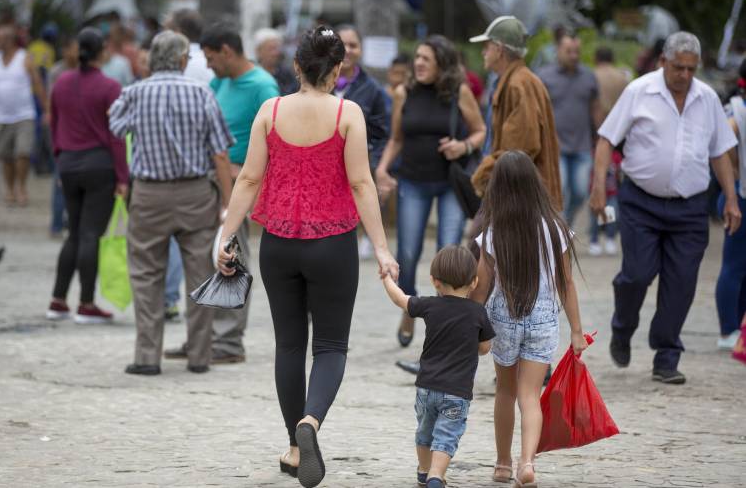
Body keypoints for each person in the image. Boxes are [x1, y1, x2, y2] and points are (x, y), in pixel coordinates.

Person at [215, 26, 398, 488]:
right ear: (337, 70)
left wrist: (227, 234)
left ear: (296, 66)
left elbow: (248, 179)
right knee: (331, 346)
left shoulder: (270, 111)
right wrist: (381, 248)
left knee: (289, 346)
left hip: (278, 243)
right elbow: (361, 183)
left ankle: (295, 449)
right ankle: (310, 422)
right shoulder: (348, 113)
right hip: (333, 243)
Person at [591, 32, 741, 385]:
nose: (685, 75)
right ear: (663, 62)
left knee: (681, 282)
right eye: (678, 67)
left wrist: (731, 199)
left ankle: (667, 355)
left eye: (691, 68)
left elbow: (720, 151)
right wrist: (598, 188)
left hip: (690, 208)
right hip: (640, 202)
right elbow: (606, 139)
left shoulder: (707, 98)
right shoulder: (639, 91)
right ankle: (622, 327)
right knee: (637, 274)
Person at [109, 31, 235, 376]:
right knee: (201, 274)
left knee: (146, 273)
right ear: (181, 60)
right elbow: (220, 153)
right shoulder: (202, 93)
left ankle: (147, 356)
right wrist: (227, 203)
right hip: (196, 195)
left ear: (152, 60)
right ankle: (199, 356)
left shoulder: (134, 93)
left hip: (149, 196)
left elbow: (115, 126)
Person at [163, 23, 279, 364]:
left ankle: (228, 341)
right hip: (210, 183)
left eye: (211, 58)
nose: (209, 66)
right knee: (203, 260)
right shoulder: (219, 83)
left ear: (227, 51)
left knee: (231, 258)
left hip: (239, 187)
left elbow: (277, 141)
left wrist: (246, 172)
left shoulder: (262, 86)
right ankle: (201, 337)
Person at [473, 150, 587, 487]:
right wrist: (576, 331)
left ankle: (502, 464)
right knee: (530, 395)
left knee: (505, 392)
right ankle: (527, 463)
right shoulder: (555, 229)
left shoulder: (493, 231)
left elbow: (481, 286)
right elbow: (566, 284)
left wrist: (469, 324)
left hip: (503, 318)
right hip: (543, 319)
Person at [375, 34, 486, 349]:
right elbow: (397, 139)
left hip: (450, 183)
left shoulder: (459, 92)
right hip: (413, 181)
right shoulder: (403, 93)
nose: (419, 63)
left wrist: (463, 146)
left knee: (447, 253)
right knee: (408, 254)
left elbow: (480, 131)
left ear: (442, 64)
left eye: (426, 59)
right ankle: (410, 307)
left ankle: (443, 323)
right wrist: (382, 169)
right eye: (418, 57)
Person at [381, 245, 494, 488]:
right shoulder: (478, 313)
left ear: (434, 281)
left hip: (426, 387)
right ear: (474, 282)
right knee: (447, 435)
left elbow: (400, 299)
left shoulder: (430, 305)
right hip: (457, 391)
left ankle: (424, 470)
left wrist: (386, 278)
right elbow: (485, 348)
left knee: (425, 431)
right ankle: (436, 474)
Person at [45, 28, 128, 323]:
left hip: (68, 163)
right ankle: (86, 303)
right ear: (102, 52)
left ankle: (57, 301)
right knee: (91, 234)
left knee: (74, 233)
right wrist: (123, 176)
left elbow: (54, 123)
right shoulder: (109, 87)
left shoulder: (61, 83)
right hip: (99, 166)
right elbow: (116, 136)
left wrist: (59, 158)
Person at [469, 16, 563, 211]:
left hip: (520, 197)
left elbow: (519, 149)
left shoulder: (518, 83)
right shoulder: (515, 80)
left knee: (481, 230)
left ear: (499, 49)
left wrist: (482, 175)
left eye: (487, 46)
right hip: (516, 194)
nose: (483, 52)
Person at [161, 9, 215, 322]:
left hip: (167, 165)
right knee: (197, 240)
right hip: (202, 166)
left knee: (170, 235)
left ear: (179, 32)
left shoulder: (173, 65)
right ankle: (200, 308)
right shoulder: (208, 66)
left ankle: (168, 298)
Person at [334, 24, 391, 258]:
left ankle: (367, 238)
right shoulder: (315, 84)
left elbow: (382, 133)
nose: (347, 50)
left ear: (361, 50)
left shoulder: (373, 89)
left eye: (353, 45)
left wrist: (375, 165)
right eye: (342, 45)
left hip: (359, 164)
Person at [0, 23, 48, 206]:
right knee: (6, 156)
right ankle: (10, 188)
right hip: (1, 116)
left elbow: (38, 84)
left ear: (9, 40)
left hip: (24, 115)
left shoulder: (25, 58)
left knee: (23, 153)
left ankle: (21, 187)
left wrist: (47, 110)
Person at [537, 32, 600, 225]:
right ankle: (560, 230)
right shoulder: (544, 76)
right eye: (569, 51)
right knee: (559, 192)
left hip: (582, 146)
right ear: (558, 51)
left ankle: (566, 223)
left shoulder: (589, 76)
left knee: (581, 192)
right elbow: (536, 110)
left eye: (577, 51)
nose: (574, 55)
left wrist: (600, 138)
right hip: (555, 148)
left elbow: (595, 108)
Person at [715, 60, 746, 350]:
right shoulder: (737, 110)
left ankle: (738, 327)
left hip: (737, 193)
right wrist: (734, 173)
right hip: (738, 197)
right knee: (734, 265)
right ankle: (728, 329)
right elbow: (720, 144)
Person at [589, 46, 630, 256]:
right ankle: (610, 232)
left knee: (598, 180)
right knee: (614, 186)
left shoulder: (592, 75)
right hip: (619, 135)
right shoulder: (622, 79)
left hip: (596, 135)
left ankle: (598, 233)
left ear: (596, 58)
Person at [46, 34, 80, 238]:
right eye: (73, 48)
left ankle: (72, 223)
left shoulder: (84, 70)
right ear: (65, 50)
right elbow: (52, 103)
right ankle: (57, 224)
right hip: (62, 131)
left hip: (77, 131)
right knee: (60, 178)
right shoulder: (56, 72)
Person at [254, 27, 298, 95]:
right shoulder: (252, 74)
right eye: (271, 49)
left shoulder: (286, 74)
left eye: (277, 48)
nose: (275, 53)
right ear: (259, 51)